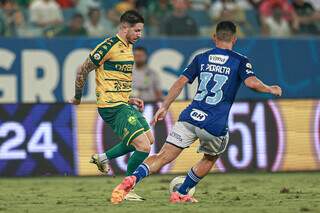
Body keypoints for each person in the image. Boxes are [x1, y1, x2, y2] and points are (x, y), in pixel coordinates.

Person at [110, 21, 282, 204]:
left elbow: (180, 82)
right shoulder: (240, 60)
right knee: (210, 157)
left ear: (214, 37)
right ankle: (181, 192)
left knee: (162, 157)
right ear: (235, 39)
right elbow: (251, 83)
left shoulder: (201, 57)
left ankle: (131, 180)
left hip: (189, 117)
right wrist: (270, 89)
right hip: (214, 124)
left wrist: (165, 106)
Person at [69, 10, 154, 201]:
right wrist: (77, 97)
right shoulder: (108, 47)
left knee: (149, 139)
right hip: (111, 106)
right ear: (125, 27)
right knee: (143, 147)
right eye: (137, 31)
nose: (140, 35)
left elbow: (115, 78)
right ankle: (126, 189)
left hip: (122, 102)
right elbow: (82, 70)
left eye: (141, 31)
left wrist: (129, 97)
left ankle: (103, 157)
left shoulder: (128, 46)